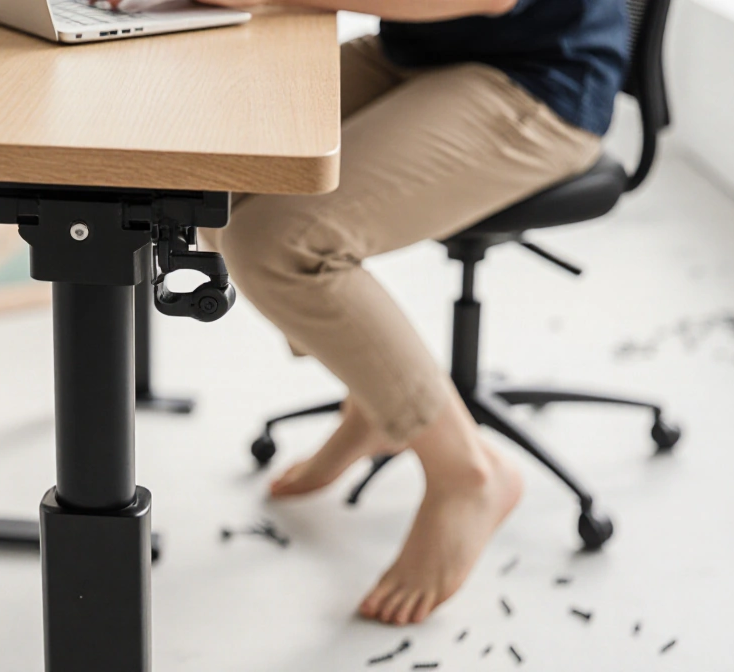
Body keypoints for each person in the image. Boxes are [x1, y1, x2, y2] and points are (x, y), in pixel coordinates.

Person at [104, 0, 629, 625]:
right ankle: (376, 401)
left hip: (538, 79)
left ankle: (467, 473)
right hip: (420, 49)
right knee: (221, 172)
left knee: (278, 244)